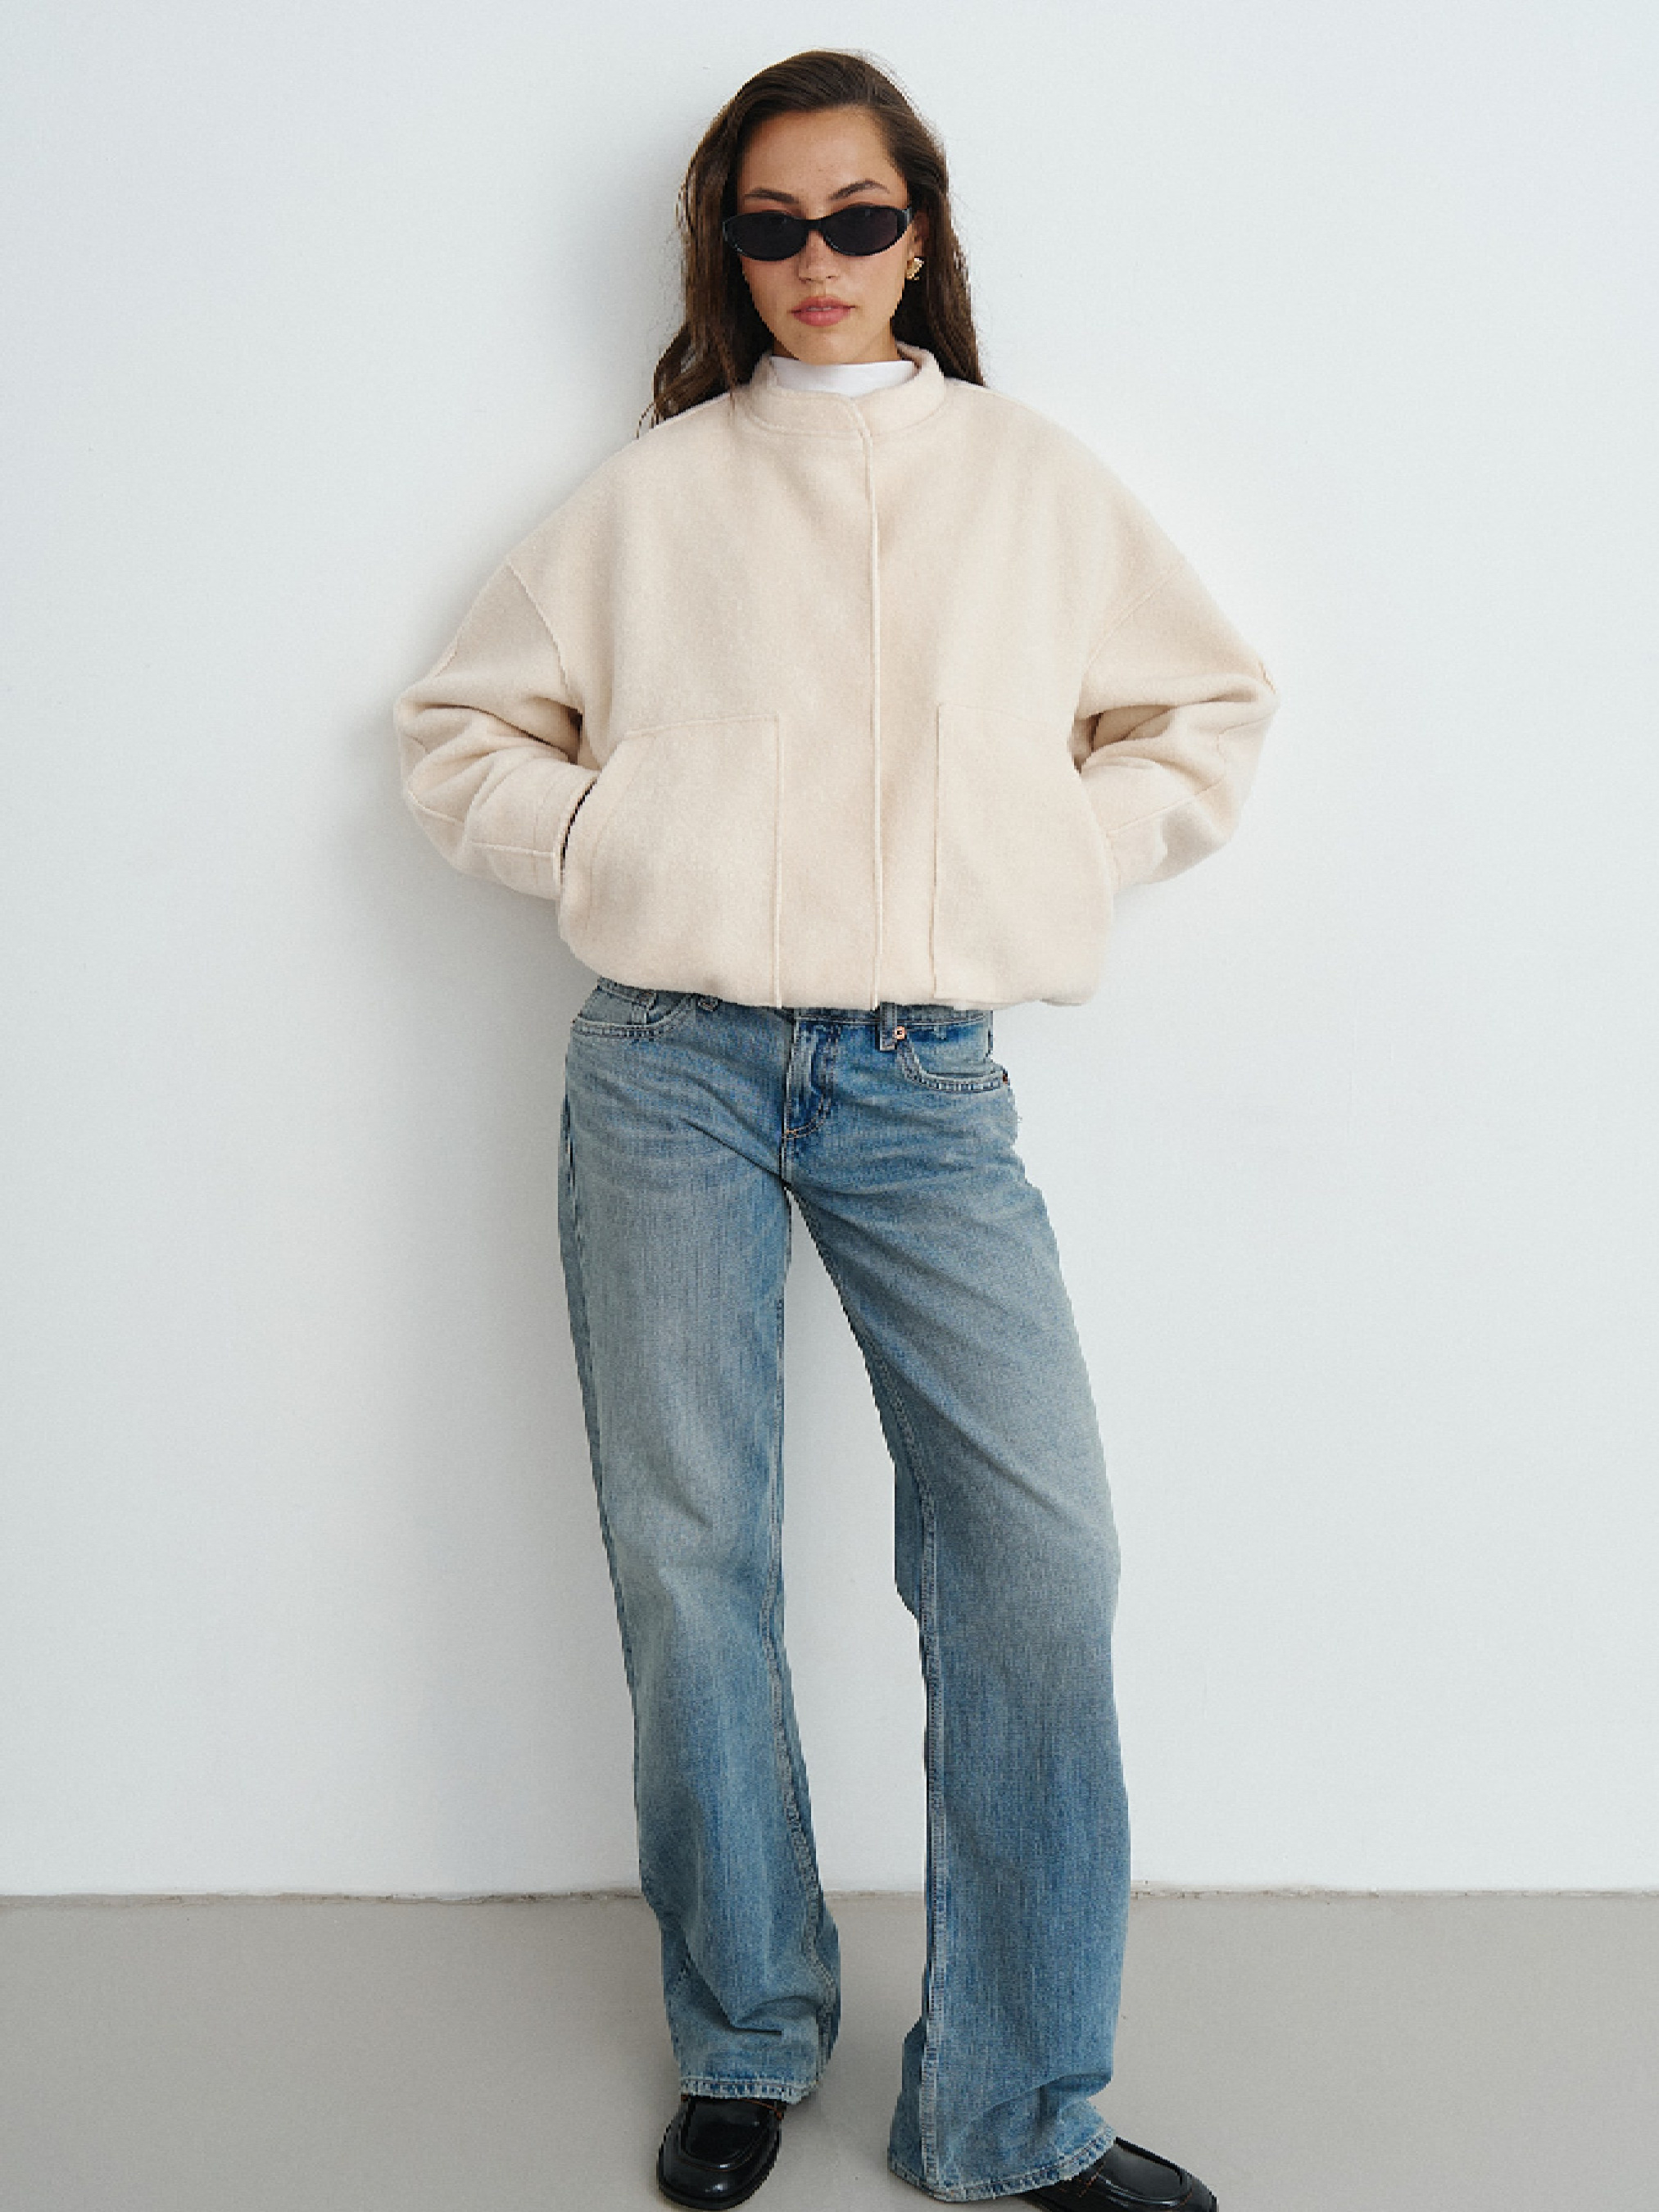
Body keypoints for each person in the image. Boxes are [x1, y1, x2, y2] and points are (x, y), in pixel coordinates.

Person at [394, 47, 1276, 2211]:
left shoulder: (1028, 482)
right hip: (667, 1063)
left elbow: (1201, 713)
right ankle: (743, 2032)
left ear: (920, 233)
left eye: (856, 218)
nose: (816, 259)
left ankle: (1012, 2106)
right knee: (688, 1555)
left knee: (1035, 1555)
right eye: (771, 224)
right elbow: (459, 733)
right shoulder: (656, 493)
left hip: (919, 1076)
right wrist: (617, 842)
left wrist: (1030, 867)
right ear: (728, 244)